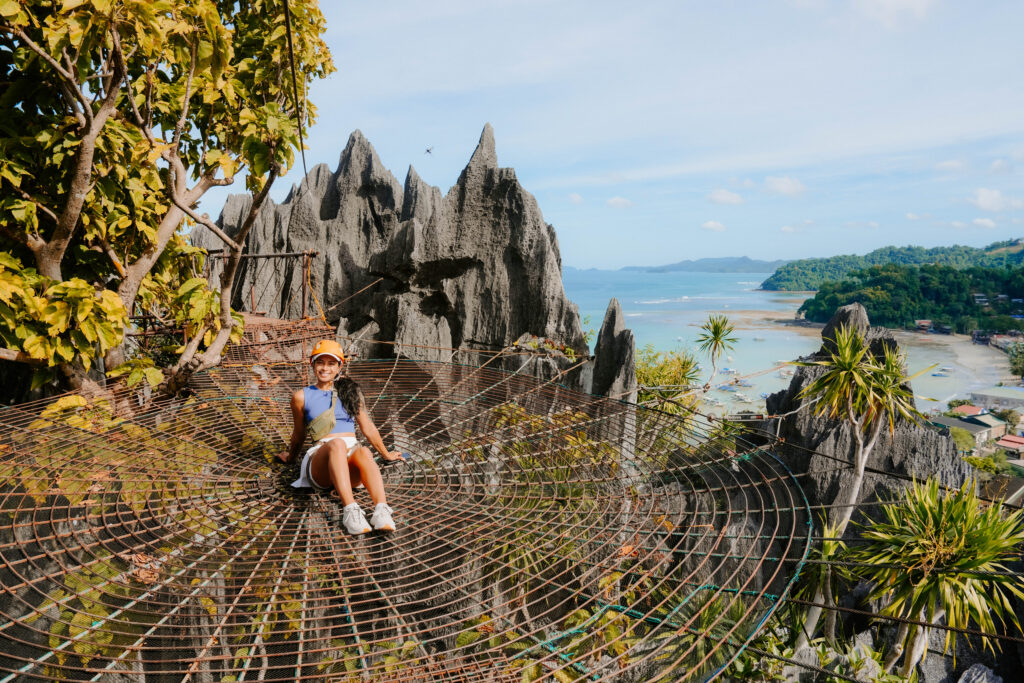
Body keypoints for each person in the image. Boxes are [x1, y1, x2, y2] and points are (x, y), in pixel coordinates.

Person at [277, 339, 403, 534]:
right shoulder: (301, 397)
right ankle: (350, 510)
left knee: (363, 451)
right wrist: (290, 457)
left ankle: (381, 511)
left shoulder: (350, 392)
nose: (325, 368)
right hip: (321, 463)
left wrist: (386, 455)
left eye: (331, 363)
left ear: (339, 366)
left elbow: (367, 427)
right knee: (336, 444)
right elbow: (299, 435)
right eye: (320, 362)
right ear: (313, 364)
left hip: (350, 464)